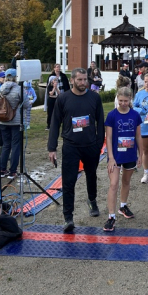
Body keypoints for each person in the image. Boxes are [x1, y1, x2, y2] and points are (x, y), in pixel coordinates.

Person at [48, 69, 105, 233]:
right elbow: (55, 123)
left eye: (85, 79)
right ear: (72, 80)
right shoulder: (63, 98)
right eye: (79, 80)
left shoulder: (94, 97)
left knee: (91, 175)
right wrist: (52, 148)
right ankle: (68, 217)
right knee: (69, 181)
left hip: (90, 145)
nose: (83, 83)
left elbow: (100, 122)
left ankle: (92, 200)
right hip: (71, 146)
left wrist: (99, 144)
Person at [103, 87, 143, 232]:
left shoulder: (135, 115)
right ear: (117, 99)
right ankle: (111, 216)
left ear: (130, 100)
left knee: (126, 181)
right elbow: (108, 138)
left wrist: (141, 154)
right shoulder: (112, 115)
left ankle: (123, 206)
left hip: (130, 155)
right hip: (116, 156)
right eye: (121, 101)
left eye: (126, 101)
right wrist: (111, 157)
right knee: (114, 184)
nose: (123, 103)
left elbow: (138, 136)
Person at [0, 69, 31, 180]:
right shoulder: (19, 89)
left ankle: (2, 169)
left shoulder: (1, 89)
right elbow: (26, 105)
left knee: (6, 145)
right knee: (16, 145)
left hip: (3, 120)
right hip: (16, 121)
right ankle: (13, 171)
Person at [45, 63, 70, 130]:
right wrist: (54, 87)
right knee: (50, 111)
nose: (58, 68)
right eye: (57, 67)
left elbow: (67, 86)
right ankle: (49, 124)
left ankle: (61, 122)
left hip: (61, 95)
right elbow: (48, 88)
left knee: (61, 110)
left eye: (59, 67)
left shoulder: (63, 76)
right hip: (52, 97)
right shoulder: (51, 77)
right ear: (54, 68)